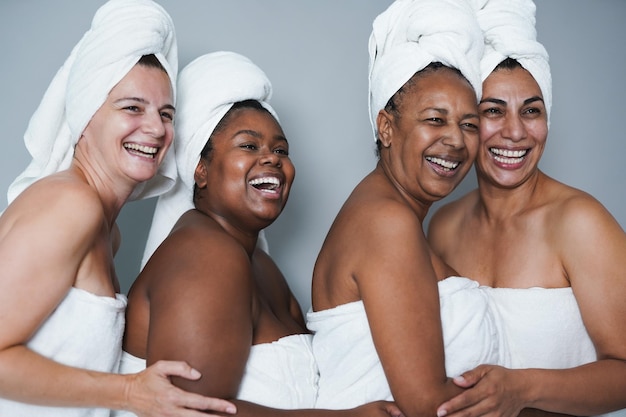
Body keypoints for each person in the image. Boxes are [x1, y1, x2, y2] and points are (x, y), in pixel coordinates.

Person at [116, 51, 402, 417]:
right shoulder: (204, 253)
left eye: (280, 149)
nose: (272, 159)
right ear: (200, 170)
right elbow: (190, 412)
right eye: (249, 145)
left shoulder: (261, 265)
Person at [0, 1, 235, 416]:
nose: (156, 128)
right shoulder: (69, 206)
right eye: (132, 107)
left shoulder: (109, 231)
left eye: (166, 114)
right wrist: (129, 393)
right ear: (86, 117)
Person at [306, 0, 508, 416]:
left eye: (469, 124)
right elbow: (428, 405)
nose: (455, 140)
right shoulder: (387, 222)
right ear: (386, 127)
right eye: (435, 119)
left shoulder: (389, 213)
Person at [427, 0, 626, 416]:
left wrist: (523, 389)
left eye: (531, 111)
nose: (515, 132)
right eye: (492, 112)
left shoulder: (579, 223)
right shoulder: (443, 225)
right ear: (466, 123)